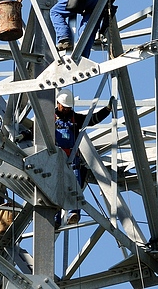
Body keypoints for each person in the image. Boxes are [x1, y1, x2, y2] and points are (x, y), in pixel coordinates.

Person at [54, 90, 115, 226]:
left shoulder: (75, 118)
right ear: (58, 104)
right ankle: (55, 219)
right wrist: (23, 135)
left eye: (69, 107)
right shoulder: (49, 118)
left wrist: (107, 109)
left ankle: (74, 212)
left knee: (75, 184)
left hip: (72, 160)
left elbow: (92, 119)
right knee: (54, 188)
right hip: (56, 159)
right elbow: (35, 131)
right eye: (65, 107)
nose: (67, 109)